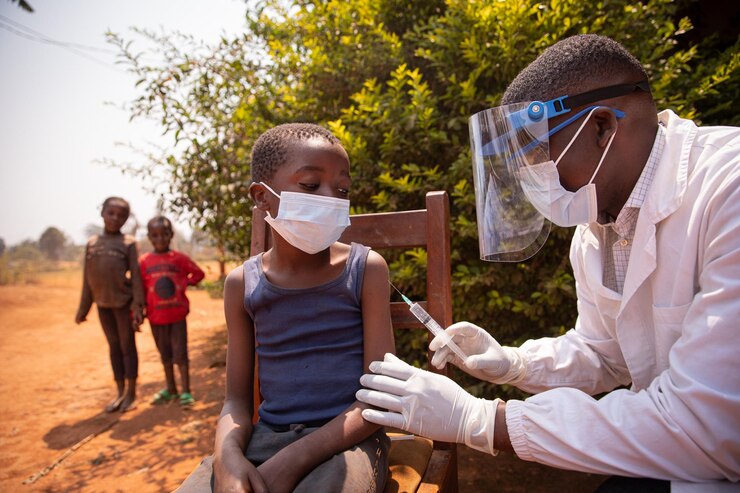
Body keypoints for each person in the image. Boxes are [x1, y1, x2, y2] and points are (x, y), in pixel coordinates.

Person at [357, 34, 740, 492]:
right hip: (682, 462)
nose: (530, 179)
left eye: (537, 156)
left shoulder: (727, 189)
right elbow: (605, 353)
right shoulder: (598, 227)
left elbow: (711, 427)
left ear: (601, 127)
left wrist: (482, 420)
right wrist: (513, 364)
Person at [212, 123, 395, 493]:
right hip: (263, 440)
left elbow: (381, 395)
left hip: (348, 441)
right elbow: (235, 400)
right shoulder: (241, 284)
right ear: (262, 197)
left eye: (342, 189)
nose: (331, 198)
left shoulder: (366, 269)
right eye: (311, 186)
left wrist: (295, 458)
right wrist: (227, 457)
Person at [75, 196, 145, 413]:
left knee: (127, 347)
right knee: (114, 348)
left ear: (125, 219)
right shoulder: (92, 243)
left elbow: (136, 277)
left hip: (124, 305)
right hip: (103, 305)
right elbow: (88, 279)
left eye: (121, 215)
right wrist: (83, 308)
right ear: (102, 213)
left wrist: (138, 306)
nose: (115, 218)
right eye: (111, 213)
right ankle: (120, 392)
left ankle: (131, 393)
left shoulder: (129, 244)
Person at [139, 215, 205, 408]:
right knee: (165, 355)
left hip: (177, 316)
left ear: (171, 235)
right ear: (149, 237)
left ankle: (185, 391)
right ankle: (171, 389)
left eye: (164, 234)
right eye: (155, 235)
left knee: (181, 354)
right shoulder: (144, 262)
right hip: (155, 318)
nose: (160, 239)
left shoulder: (178, 259)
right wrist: (139, 310)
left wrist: (184, 283)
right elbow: (140, 289)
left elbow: (198, 273)